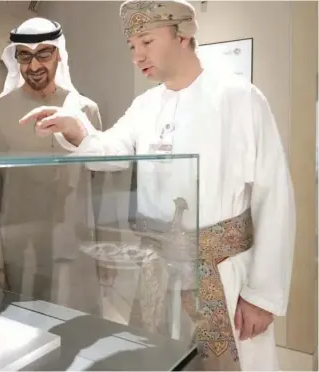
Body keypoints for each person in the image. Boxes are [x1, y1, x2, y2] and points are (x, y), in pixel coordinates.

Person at [19, 0, 295, 370]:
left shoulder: (239, 98)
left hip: (222, 272)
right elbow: (112, 151)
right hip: (159, 271)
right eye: (132, 46)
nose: (137, 56)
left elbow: (273, 196)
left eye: (146, 42)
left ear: (182, 35)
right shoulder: (146, 105)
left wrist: (262, 294)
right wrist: (76, 128)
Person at [0, 17, 103, 314]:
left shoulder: (85, 110)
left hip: (76, 249)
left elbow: (100, 187)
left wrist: (105, 249)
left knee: (77, 334)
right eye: (25, 55)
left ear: (59, 53)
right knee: (25, 336)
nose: (34, 66)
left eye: (44, 54)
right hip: (20, 253)